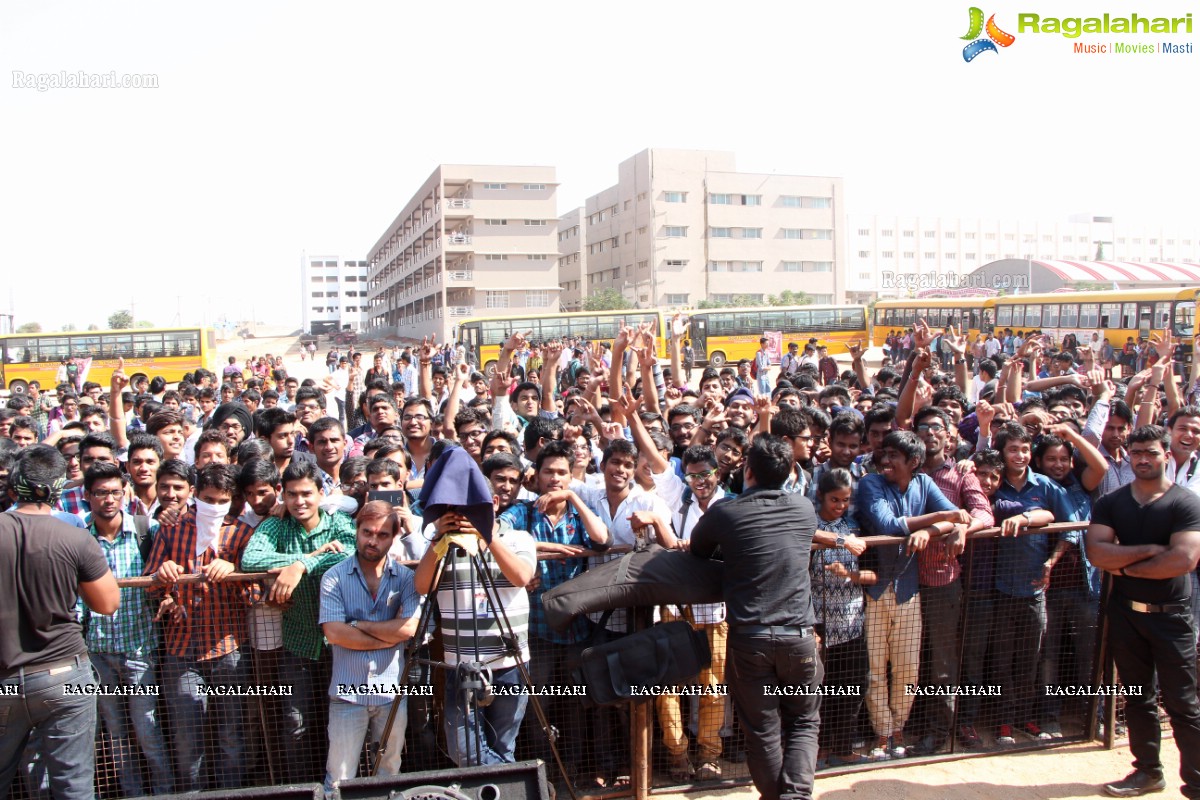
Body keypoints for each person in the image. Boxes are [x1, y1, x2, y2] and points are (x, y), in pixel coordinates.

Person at [690, 434, 829, 800]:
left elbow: (697, 548)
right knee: (803, 722)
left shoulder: (726, 511)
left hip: (750, 639)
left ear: (747, 470)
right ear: (787, 473)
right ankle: (795, 796)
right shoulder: (803, 509)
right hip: (799, 637)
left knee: (763, 729)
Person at [1085, 425, 1200, 799]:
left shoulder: (1186, 503)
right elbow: (1097, 553)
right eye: (1136, 453)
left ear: (1166, 454)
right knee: (1137, 696)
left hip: (1172, 617)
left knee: (1182, 702)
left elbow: (1183, 559)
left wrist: (1124, 566)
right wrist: (1152, 550)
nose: (1143, 459)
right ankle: (1147, 771)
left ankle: (1196, 782)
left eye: (1150, 452)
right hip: (1126, 614)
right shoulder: (1112, 502)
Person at [0, 445, 120, 800]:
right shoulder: (75, 538)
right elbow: (107, 602)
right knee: (74, 787)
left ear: (14, 485)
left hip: (5, 680)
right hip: (65, 676)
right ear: (57, 488)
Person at [240, 460, 356, 783]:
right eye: (292, 494)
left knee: (342, 723)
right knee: (296, 724)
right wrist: (307, 558)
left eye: (306, 493)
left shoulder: (338, 521)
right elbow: (251, 559)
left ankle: (342, 788)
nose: (299, 501)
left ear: (321, 493)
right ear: (283, 495)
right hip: (297, 644)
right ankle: (303, 789)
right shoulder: (275, 526)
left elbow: (350, 554)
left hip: (340, 645)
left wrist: (303, 566)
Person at [143, 463, 255, 792]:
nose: (214, 507)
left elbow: (257, 594)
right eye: (208, 499)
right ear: (194, 494)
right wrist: (162, 579)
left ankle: (230, 794)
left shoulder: (240, 532)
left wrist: (235, 572)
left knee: (230, 734)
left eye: (222, 500)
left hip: (227, 648)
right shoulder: (171, 529)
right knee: (186, 738)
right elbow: (149, 583)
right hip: (181, 648)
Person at [414, 504, 536, 766]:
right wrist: (438, 538)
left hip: (510, 663)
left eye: (471, 505)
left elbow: (522, 576)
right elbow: (423, 586)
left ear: (491, 502)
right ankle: (519, 788)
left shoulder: (518, 538)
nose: (463, 512)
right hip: (460, 666)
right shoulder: (445, 543)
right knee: (464, 752)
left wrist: (486, 537)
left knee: (503, 746)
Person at [80, 461, 173, 796]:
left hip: (140, 653)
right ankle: (133, 794)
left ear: (126, 494)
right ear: (87, 496)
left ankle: (165, 793)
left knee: (148, 730)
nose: (109, 499)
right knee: (117, 736)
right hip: (99, 655)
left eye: (115, 492)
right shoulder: (79, 539)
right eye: (101, 493)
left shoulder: (146, 532)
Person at [318, 501, 420, 794]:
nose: (373, 540)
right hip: (347, 695)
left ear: (394, 536)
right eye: (367, 532)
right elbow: (335, 633)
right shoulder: (334, 577)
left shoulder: (406, 579)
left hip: (391, 694)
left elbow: (408, 629)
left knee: (389, 770)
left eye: (382, 534)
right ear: (357, 530)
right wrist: (389, 635)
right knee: (339, 777)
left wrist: (358, 625)